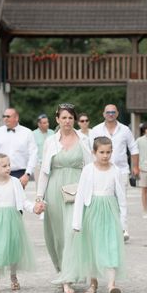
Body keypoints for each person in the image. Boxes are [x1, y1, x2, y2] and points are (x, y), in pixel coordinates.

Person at [55, 136, 126, 293]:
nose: (105, 155)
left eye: (108, 152)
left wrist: (123, 223)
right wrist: (77, 222)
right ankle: (93, 283)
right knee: (92, 247)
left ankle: (111, 285)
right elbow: (80, 197)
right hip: (92, 211)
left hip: (109, 211)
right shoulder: (88, 170)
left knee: (111, 246)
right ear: (94, 152)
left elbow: (121, 199)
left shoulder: (115, 170)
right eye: (101, 152)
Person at [36, 104, 93, 278]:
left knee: (73, 231)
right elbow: (45, 171)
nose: (67, 121)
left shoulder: (83, 139)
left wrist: (92, 192)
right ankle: (62, 271)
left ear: (74, 119)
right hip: (54, 190)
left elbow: (90, 168)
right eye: (64, 117)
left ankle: (71, 272)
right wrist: (39, 196)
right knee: (58, 234)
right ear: (57, 120)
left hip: (77, 189)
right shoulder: (50, 141)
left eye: (70, 117)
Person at [0, 153, 39, 293]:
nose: (8, 168)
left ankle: (13, 276)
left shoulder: (15, 182)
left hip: (13, 219)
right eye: (4, 166)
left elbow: (23, 201)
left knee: (13, 248)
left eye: (9, 165)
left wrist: (33, 208)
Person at [89, 104, 139, 241]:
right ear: (103, 114)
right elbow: (90, 150)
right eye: (108, 112)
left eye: (113, 112)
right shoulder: (96, 130)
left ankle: (123, 230)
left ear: (117, 113)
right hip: (100, 171)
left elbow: (133, 148)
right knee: (103, 200)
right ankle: (106, 229)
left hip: (121, 171)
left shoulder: (125, 130)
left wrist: (135, 167)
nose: (110, 114)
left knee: (121, 201)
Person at [0, 108, 37, 188]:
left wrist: (27, 174)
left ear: (16, 118)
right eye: (4, 116)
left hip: (20, 174)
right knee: (1, 199)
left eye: (8, 116)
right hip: (0, 173)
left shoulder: (27, 133)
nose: (5, 118)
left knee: (18, 200)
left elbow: (33, 154)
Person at [33, 113, 54, 189]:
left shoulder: (52, 133)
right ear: (39, 124)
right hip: (38, 165)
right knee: (39, 187)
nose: (47, 124)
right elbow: (32, 151)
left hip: (51, 164)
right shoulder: (33, 134)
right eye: (44, 123)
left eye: (47, 122)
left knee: (50, 186)